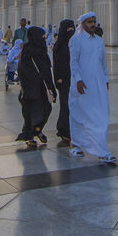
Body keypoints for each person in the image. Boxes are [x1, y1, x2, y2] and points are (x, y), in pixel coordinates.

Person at [69, 12, 115, 164]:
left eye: (94, 21)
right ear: (82, 24)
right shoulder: (77, 40)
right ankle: (76, 143)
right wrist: (79, 80)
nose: (93, 25)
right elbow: (74, 62)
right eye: (89, 22)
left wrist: (106, 79)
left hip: (98, 84)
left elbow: (103, 62)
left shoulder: (99, 41)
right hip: (83, 84)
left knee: (101, 116)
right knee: (79, 114)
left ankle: (101, 149)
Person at [15, 25, 56, 148]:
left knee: (46, 109)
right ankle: (29, 136)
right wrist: (27, 86)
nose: (44, 40)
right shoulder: (28, 52)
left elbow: (47, 71)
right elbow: (22, 70)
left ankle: (37, 130)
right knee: (30, 113)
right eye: (42, 37)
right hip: (30, 89)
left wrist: (51, 88)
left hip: (41, 87)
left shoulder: (42, 51)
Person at [51, 18, 75, 147]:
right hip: (63, 80)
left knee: (74, 105)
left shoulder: (74, 43)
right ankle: (64, 130)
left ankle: (70, 129)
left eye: (73, 28)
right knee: (65, 105)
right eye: (69, 28)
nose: (71, 31)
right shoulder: (59, 45)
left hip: (74, 78)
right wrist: (58, 78)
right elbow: (56, 64)